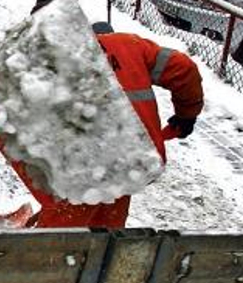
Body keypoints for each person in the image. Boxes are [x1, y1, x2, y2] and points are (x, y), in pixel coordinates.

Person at [19, 22, 204, 229]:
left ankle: (56, 247)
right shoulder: (131, 45)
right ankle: (102, 245)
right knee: (109, 218)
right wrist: (187, 115)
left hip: (85, 166)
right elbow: (184, 68)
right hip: (135, 157)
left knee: (62, 230)